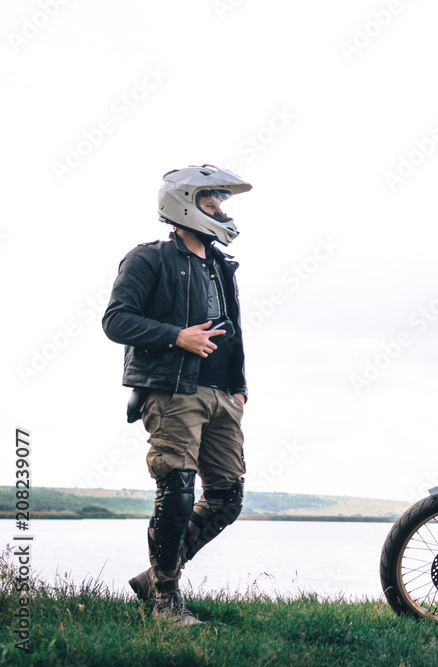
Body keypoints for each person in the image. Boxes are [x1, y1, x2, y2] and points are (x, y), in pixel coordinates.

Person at [103, 164, 253, 626]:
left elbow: (232, 330)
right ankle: (166, 602)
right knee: (177, 490)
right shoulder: (148, 259)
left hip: (222, 395)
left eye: (220, 202)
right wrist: (175, 336)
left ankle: (153, 579)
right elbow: (116, 320)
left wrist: (240, 387)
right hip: (174, 391)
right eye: (211, 201)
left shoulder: (221, 265)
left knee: (227, 497)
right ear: (185, 204)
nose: (220, 210)